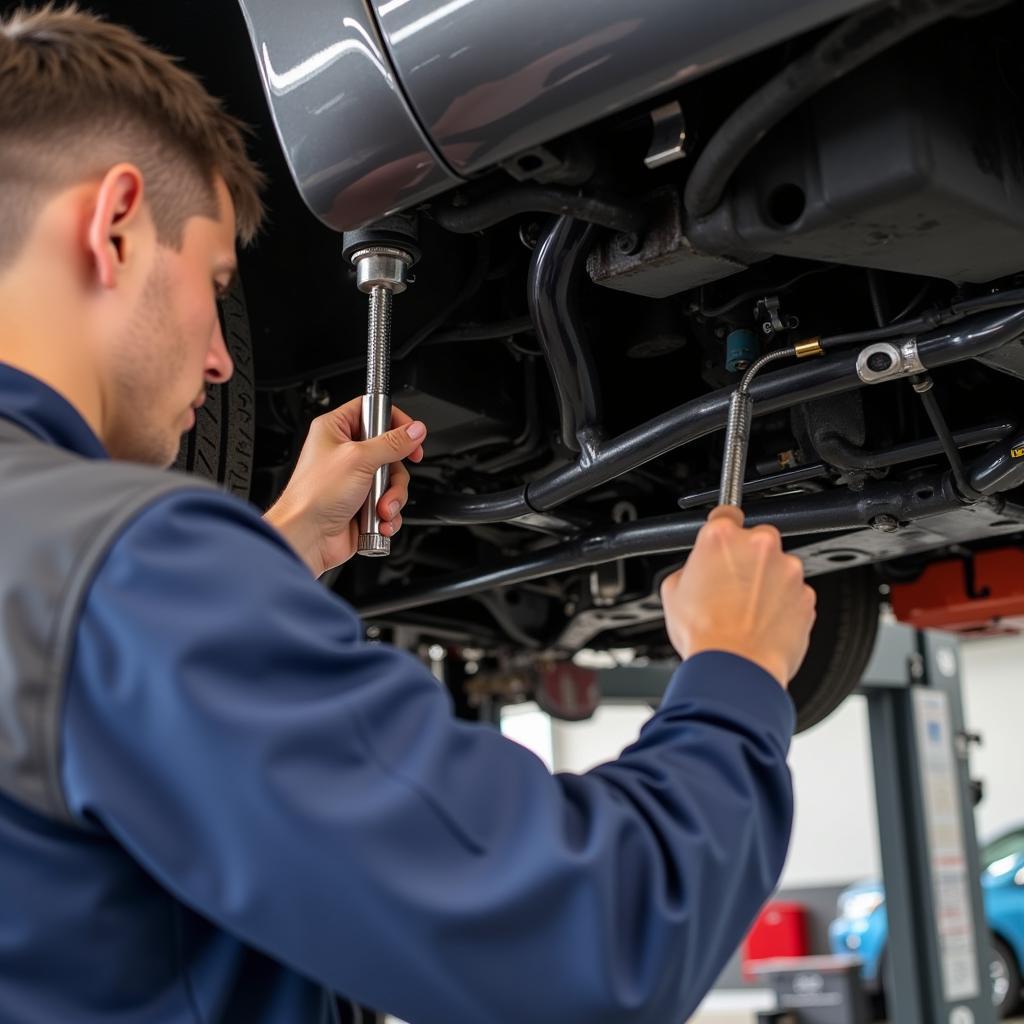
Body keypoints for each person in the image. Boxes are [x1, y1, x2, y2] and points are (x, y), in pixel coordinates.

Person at [0, 6, 817, 1024]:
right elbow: (600, 939)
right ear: (115, 222)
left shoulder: (64, 568)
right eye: (216, 281)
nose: (220, 357)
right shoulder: (122, 567)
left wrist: (271, 546)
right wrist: (734, 680)